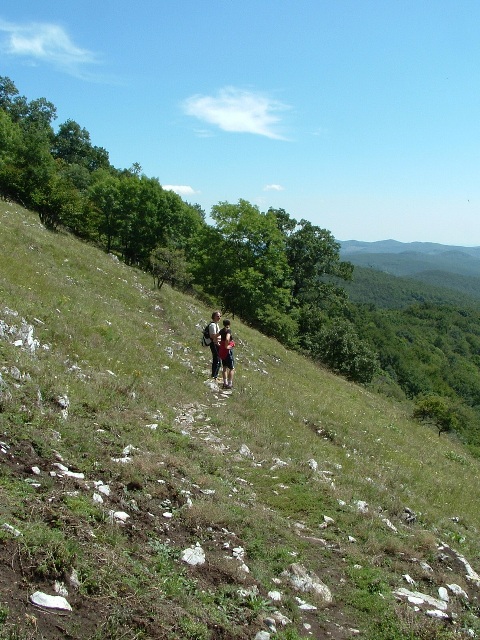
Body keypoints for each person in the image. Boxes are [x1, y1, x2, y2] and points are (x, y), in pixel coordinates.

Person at [219, 319, 235, 389]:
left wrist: (217, 342)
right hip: (227, 351)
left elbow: (216, 336)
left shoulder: (222, 330)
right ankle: (230, 383)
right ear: (229, 324)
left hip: (222, 350)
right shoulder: (228, 330)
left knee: (224, 367)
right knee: (232, 368)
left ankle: (225, 382)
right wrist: (227, 346)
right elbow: (227, 338)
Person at [208, 310, 222, 382]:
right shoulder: (212, 325)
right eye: (217, 316)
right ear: (214, 317)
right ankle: (214, 376)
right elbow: (212, 336)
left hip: (217, 344)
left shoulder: (216, 324)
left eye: (220, 316)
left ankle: (215, 376)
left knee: (218, 360)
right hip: (214, 344)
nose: (219, 317)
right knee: (217, 360)